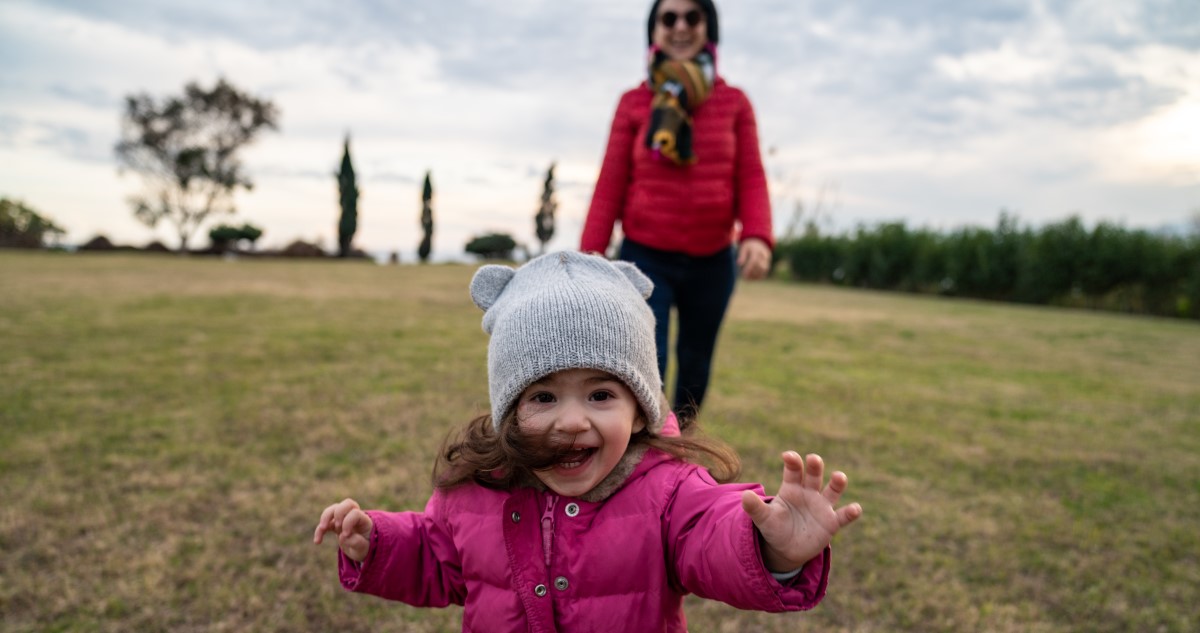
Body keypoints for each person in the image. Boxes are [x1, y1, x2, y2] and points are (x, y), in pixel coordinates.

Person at [314, 252, 861, 632]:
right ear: (508, 409)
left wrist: (774, 551)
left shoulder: (670, 492)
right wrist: (378, 544)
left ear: (640, 407)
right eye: (543, 398)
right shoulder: (477, 487)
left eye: (600, 395)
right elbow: (439, 558)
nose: (571, 422)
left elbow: (711, 538)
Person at [580, 0, 774, 421]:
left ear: (709, 27)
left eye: (693, 17)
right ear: (654, 31)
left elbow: (751, 175)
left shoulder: (734, 102)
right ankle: (645, 451)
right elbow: (610, 182)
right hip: (645, 256)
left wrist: (757, 234)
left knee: (695, 366)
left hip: (713, 261)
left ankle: (680, 447)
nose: (680, 26)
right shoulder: (634, 102)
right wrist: (590, 254)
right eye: (669, 18)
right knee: (646, 364)